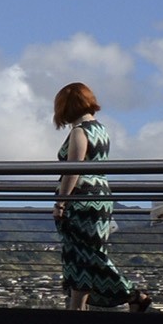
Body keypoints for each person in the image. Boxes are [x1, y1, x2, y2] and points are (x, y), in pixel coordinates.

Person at [51, 82, 136, 310]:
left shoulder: (79, 131)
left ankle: (133, 295)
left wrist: (61, 202)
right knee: (90, 253)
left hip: (82, 200)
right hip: (101, 196)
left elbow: (73, 169)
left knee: (82, 253)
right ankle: (78, 306)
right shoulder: (101, 129)